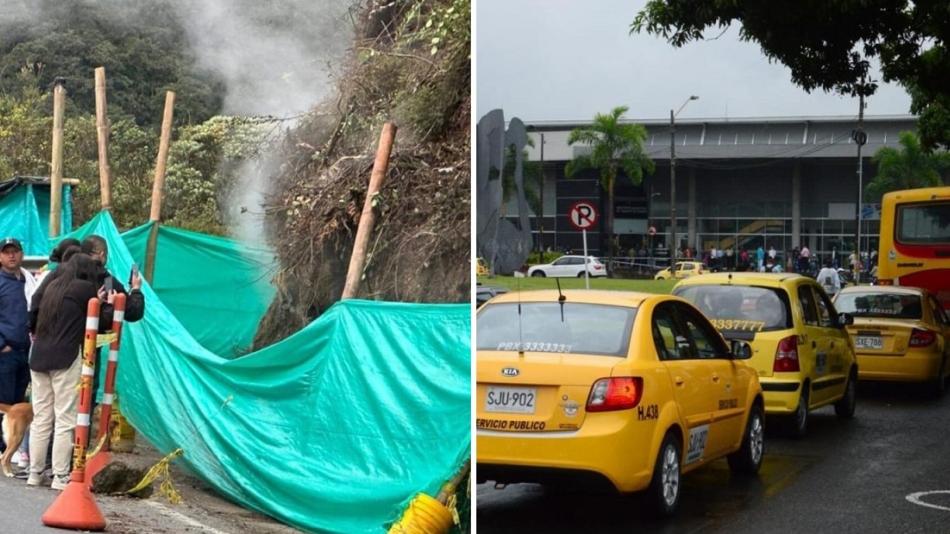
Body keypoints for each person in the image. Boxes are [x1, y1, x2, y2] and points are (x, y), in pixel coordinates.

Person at [28, 253, 115, 490]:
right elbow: (101, 319)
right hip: (66, 358)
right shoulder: (85, 287)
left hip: (38, 357)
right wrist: (105, 302)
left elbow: (33, 313)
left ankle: (34, 473)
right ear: (87, 271)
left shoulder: (52, 286)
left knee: (41, 418)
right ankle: (59, 476)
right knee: (65, 418)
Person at [0, 238, 32, 453]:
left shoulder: (29, 280)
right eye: (7, 252)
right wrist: (1, 345)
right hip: (5, 352)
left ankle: (12, 449)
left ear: (22, 254)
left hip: (27, 351)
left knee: (19, 404)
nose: (12, 255)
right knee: (3, 402)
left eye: (15, 251)